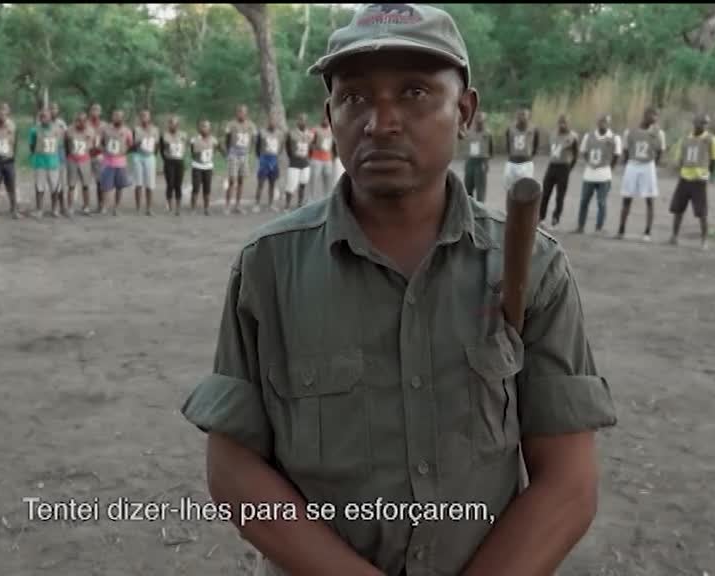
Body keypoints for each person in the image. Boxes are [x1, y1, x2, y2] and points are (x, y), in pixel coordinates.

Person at [180, 5, 616, 576]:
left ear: (464, 111)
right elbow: (235, 470)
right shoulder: (269, 267)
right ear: (329, 113)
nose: (380, 121)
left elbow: (568, 483)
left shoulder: (531, 266)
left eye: (413, 93)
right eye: (355, 98)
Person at [669, 113, 715, 251]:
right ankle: (674, 236)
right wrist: (680, 170)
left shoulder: (710, 140)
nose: (703, 125)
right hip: (685, 177)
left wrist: (708, 174)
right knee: (678, 209)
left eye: (705, 123)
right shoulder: (685, 139)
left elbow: (714, 159)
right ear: (694, 123)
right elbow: (679, 157)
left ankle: (704, 240)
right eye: (701, 122)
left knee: (702, 212)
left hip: (699, 179)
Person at [618, 107, 666, 241]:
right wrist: (629, 162)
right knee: (627, 198)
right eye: (653, 115)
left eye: (657, 116)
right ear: (646, 115)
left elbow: (661, 151)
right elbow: (626, 150)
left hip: (648, 165)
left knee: (650, 199)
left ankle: (647, 232)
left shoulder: (659, 133)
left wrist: (653, 164)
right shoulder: (630, 132)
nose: (655, 119)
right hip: (633, 164)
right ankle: (621, 229)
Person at [576, 114, 621, 234]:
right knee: (584, 200)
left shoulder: (614, 138)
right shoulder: (588, 136)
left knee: (602, 202)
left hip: (604, 174)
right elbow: (584, 152)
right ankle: (580, 226)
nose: (603, 124)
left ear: (609, 123)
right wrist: (590, 163)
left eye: (605, 122)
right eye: (601, 122)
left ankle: (599, 227)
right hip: (589, 173)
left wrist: (609, 168)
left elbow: (617, 155)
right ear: (597, 123)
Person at [540, 115, 579, 227]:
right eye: (560, 123)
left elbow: (576, 154)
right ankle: (541, 217)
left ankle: (555, 218)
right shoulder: (553, 134)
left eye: (565, 123)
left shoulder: (573, 137)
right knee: (545, 193)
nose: (562, 125)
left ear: (568, 124)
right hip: (552, 165)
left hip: (564, 167)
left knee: (560, 195)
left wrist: (569, 167)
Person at [29, 108, 65, 218]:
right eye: (42, 116)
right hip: (40, 162)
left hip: (53, 162)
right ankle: (39, 209)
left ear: (51, 117)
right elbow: (32, 145)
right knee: (39, 187)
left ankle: (55, 209)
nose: (44, 118)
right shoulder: (34, 130)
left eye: (46, 116)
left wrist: (60, 160)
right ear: (40, 118)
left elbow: (60, 146)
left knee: (55, 187)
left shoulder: (58, 129)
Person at [99, 109, 134, 216]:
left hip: (121, 163)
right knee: (106, 186)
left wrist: (125, 151)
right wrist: (103, 150)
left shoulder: (127, 131)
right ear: (112, 117)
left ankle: (116, 207)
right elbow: (100, 142)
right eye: (115, 116)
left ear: (123, 118)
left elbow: (130, 144)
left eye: (119, 116)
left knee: (119, 186)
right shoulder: (105, 129)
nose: (117, 118)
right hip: (108, 162)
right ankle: (104, 206)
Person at [224, 105, 257, 214]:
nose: (241, 114)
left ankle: (237, 205)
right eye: (239, 112)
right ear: (236, 113)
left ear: (246, 113)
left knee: (241, 181)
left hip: (244, 155)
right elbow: (227, 139)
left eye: (243, 112)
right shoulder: (231, 124)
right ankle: (227, 205)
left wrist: (250, 150)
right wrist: (229, 152)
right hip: (233, 154)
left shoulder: (251, 125)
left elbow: (254, 139)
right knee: (232, 180)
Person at [65, 111, 97, 215]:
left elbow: (93, 147)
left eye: (83, 120)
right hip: (72, 159)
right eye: (79, 120)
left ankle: (86, 206)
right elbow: (66, 144)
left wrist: (88, 156)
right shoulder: (69, 130)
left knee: (86, 184)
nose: (81, 123)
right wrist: (69, 155)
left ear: (86, 121)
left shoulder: (91, 131)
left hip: (85, 160)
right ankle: (70, 207)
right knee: (71, 185)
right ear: (76, 121)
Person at [131, 109, 160, 216]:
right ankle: (138, 208)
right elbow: (132, 145)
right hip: (138, 156)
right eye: (142, 116)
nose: (144, 118)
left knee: (150, 183)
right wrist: (138, 143)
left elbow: (156, 145)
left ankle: (149, 208)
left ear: (150, 117)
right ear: (139, 118)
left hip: (149, 157)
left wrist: (153, 155)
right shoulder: (136, 129)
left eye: (146, 116)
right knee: (138, 183)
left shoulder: (155, 130)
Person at [503, 107, 539, 193]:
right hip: (512, 162)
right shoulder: (510, 129)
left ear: (528, 117)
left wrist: (529, 156)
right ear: (516, 116)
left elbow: (535, 145)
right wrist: (512, 155)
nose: (521, 117)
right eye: (519, 115)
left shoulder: (534, 129)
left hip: (526, 163)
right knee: (509, 189)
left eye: (524, 115)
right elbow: (508, 145)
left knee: (525, 191)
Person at [285, 113, 314, 210]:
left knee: (303, 183)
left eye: (304, 120)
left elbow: (311, 148)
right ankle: (287, 205)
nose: (303, 122)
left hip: (305, 163)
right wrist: (292, 157)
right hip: (294, 163)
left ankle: (299, 204)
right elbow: (287, 147)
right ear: (297, 121)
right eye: (301, 120)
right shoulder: (291, 133)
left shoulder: (310, 134)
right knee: (291, 185)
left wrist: (307, 158)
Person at [160, 115, 188, 215]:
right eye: (171, 123)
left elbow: (185, 147)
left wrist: (182, 158)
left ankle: (178, 207)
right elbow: (161, 149)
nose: (173, 125)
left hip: (179, 161)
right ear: (169, 124)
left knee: (178, 185)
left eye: (175, 124)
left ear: (178, 125)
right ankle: (169, 205)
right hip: (169, 162)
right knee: (170, 184)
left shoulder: (183, 135)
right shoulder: (164, 135)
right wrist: (166, 159)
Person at [255, 114, 282, 212]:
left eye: (274, 122)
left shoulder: (279, 133)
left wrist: (276, 157)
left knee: (272, 184)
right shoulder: (262, 132)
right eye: (271, 121)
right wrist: (260, 158)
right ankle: (257, 204)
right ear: (268, 122)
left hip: (274, 160)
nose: (272, 123)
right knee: (260, 183)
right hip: (264, 160)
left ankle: (271, 204)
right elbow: (257, 147)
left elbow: (281, 146)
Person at [463, 111, 492, 202]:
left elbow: (490, 149)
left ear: (484, 122)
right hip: (470, 161)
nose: (480, 123)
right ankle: (469, 209)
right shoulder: (468, 132)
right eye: (477, 120)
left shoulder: (487, 134)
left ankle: (480, 210)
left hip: (481, 162)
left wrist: (486, 162)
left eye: (482, 121)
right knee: (468, 189)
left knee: (481, 191)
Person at [190, 120, 217, 216]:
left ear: (209, 128)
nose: (204, 128)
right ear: (199, 128)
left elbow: (215, 149)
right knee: (196, 188)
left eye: (206, 126)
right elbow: (192, 152)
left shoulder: (213, 140)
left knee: (207, 189)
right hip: (197, 166)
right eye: (202, 126)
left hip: (208, 167)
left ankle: (206, 208)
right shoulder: (194, 139)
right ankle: (193, 208)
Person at [309, 115, 336, 200]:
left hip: (328, 159)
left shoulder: (332, 130)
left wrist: (333, 157)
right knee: (314, 180)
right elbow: (310, 143)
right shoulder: (315, 130)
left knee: (327, 181)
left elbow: (334, 145)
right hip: (316, 158)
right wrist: (315, 148)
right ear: (321, 120)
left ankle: (326, 198)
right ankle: (311, 199)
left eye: (328, 120)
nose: (326, 122)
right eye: (324, 120)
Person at [87, 102, 106, 212]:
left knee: (100, 181)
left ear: (100, 112)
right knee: (86, 182)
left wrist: (103, 150)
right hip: (87, 156)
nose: (95, 112)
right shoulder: (86, 124)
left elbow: (107, 140)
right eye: (93, 109)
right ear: (90, 111)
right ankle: (87, 204)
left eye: (97, 110)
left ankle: (101, 204)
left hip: (99, 156)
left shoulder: (104, 125)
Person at [51, 102, 68, 206]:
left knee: (61, 181)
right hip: (48, 153)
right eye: (51, 109)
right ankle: (54, 206)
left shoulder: (62, 123)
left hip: (60, 152)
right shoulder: (43, 122)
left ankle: (62, 205)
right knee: (52, 181)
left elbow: (67, 138)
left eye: (55, 109)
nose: (53, 111)